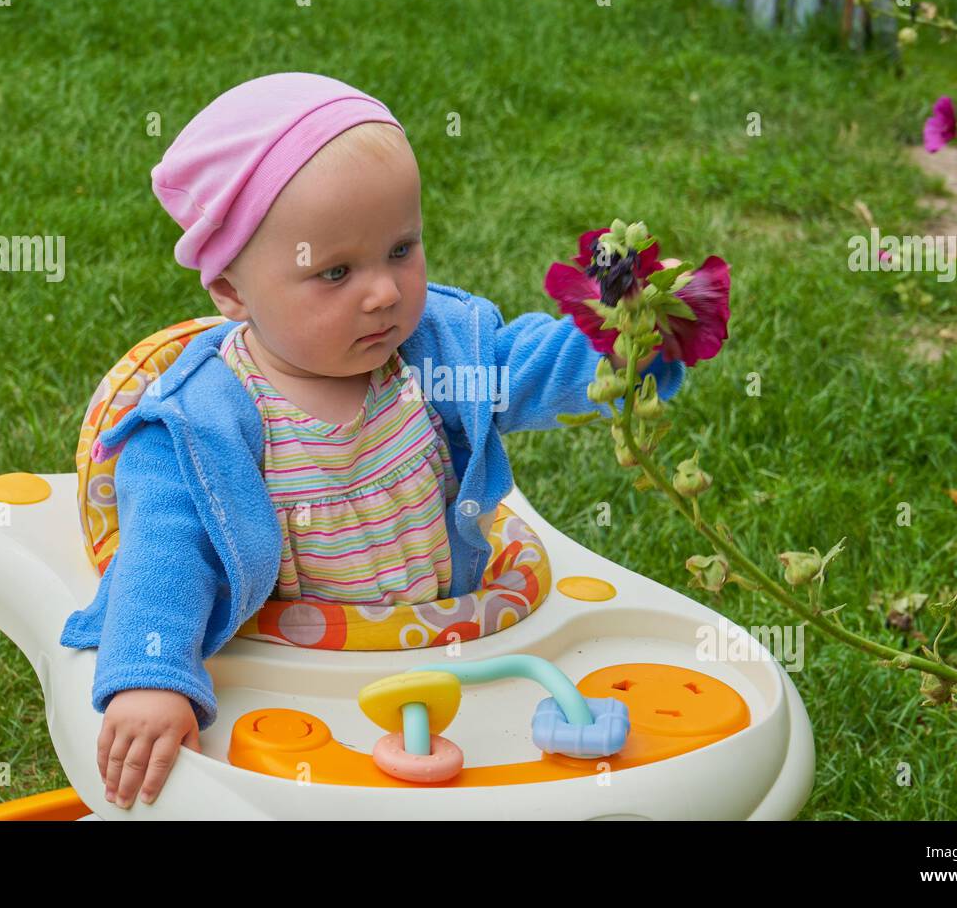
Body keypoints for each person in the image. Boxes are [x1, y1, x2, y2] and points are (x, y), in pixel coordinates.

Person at [60, 72, 684, 810]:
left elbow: (531, 370)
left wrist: (629, 339)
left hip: (445, 655)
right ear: (230, 291)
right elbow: (162, 557)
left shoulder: (435, 354)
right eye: (335, 271)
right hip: (292, 676)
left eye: (401, 249)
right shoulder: (204, 422)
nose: (384, 292)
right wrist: (152, 677)